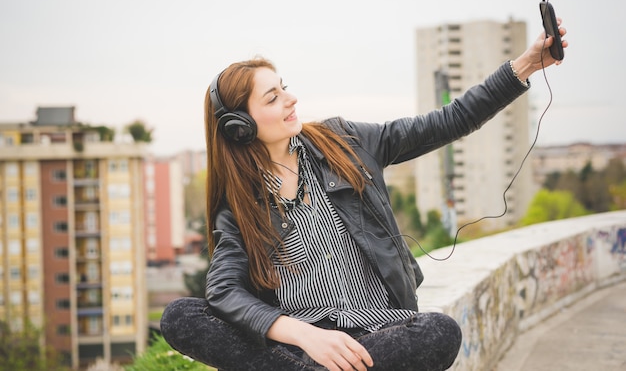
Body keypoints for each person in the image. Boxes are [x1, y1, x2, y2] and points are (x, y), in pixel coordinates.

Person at [160, 21, 568, 371]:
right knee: (180, 316)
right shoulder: (241, 205)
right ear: (239, 127)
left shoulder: (347, 142)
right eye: (273, 98)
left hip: (378, 334)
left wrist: (527, 65)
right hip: (299, 345)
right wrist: (306, 337)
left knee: (439, 332)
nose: (291, 99)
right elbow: (224, 291)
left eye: (284, 88)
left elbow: (448, 120)